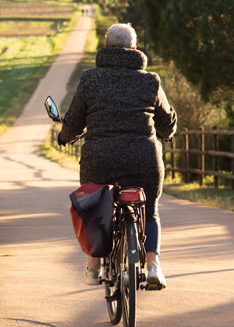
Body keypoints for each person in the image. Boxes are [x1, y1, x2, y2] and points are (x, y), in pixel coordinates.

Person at [59, 23, 177, 289]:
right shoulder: (151, 81)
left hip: (99, 161)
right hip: (143, 160)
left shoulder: (90, 79)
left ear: (105, 47)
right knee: (150, 210)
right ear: (134, 48)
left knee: (96, 205)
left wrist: (64, 137)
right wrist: (168, 132)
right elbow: (167, 122)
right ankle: (154, 265)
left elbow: (74, 121)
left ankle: (94, 265)